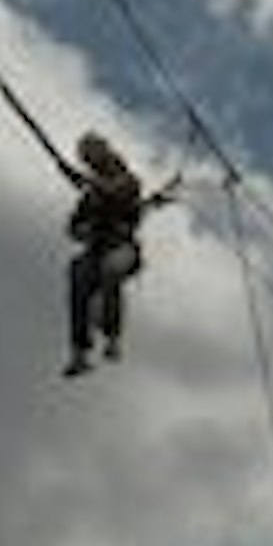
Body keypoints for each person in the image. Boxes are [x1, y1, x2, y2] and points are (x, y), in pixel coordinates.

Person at [59, 132, 175, 377]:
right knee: (78, 275)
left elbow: (117, 193)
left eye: (93, 156)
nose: (91, 163)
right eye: (87, 159)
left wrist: (89, 183)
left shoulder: (127, 180)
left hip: (122, 248)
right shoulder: (89, 196)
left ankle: (112, 337)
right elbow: (72, 227)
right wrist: (83, 230)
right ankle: (80, 351)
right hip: (96, 249)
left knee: (111, 270)